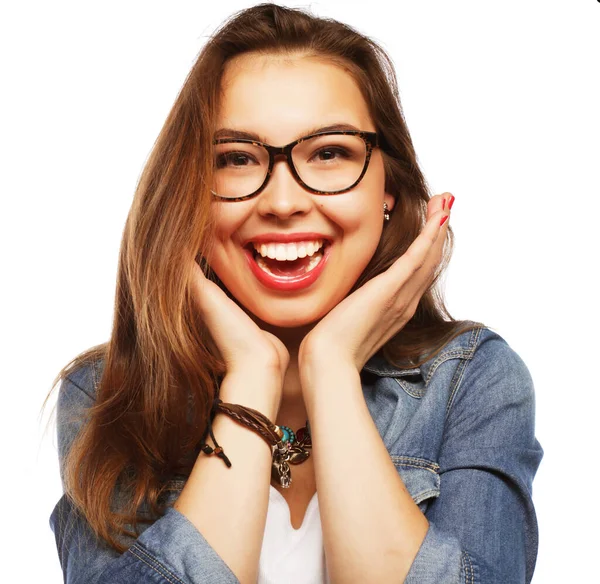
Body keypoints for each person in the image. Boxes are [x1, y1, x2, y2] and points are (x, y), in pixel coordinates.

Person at [46, 3, 543, 583]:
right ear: (186, 194)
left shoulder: (475, 382)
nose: (282, 203)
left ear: (389, 187)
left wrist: (329, 367)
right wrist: (252, 374)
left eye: (330, 153)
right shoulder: (110, 392)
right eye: (236, 159)